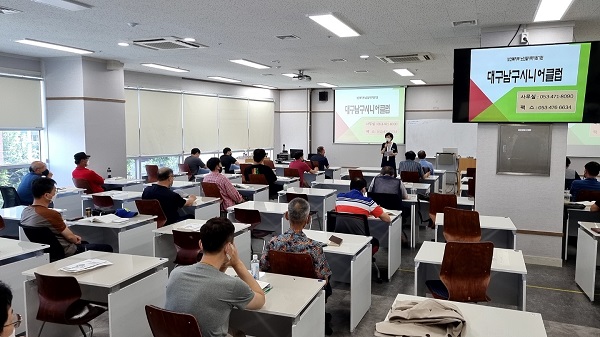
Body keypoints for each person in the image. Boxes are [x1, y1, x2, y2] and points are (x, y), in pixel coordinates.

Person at [165, 217, 265, 337]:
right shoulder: (232, 285)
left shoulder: (176, 273)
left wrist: (222, 267)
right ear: (229, 247)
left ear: (200, 244)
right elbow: (260, 300)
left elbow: (210, 280)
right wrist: (237, 263)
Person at [260, 197, 333, 335]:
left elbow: (263, 267)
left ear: (287, 216)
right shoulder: (314, 247)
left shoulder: (273, 242)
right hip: (308, 292)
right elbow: (323, 279)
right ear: (308, 219)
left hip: (280, 287)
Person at [20, 178, 113, 257]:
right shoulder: (50, 214)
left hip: (47, 252)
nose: (55, 193)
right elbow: (71, 238)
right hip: (67, 251)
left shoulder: (26, 211)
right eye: (54, 191)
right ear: (47, 195)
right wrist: (74, 238)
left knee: (87, 243)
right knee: (107, 248)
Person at [368, 166, 410, 243]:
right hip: (395, 210)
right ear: (393, 174)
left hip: (379, 209)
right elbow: (405, 196)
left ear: (381, 174)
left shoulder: (375, 180)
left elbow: (370, 192)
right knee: (408, 210)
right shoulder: (398, 182)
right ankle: (399, 230)